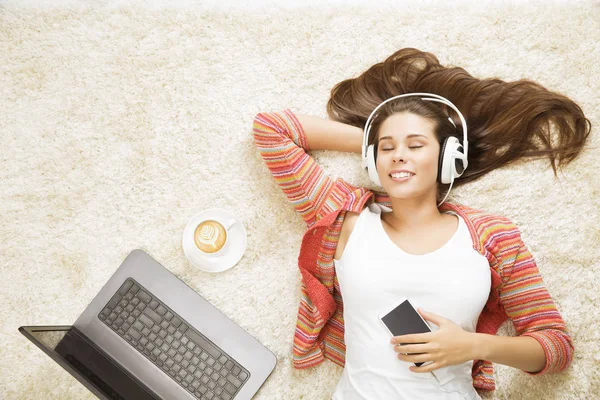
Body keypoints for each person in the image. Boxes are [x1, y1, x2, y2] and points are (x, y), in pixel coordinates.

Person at [251, 48, 591, 399]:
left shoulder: (492, 237)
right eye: (387, 148)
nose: (399, 154)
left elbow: (556, 346)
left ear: (447, 157)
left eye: (416, 145)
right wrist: (371, 143)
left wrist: (473, 346)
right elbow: (271, 130)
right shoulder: (346, 217)